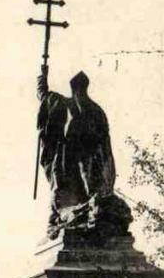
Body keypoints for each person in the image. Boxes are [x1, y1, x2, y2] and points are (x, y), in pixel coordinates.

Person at [37, 69, 117, 239]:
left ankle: (82, 216)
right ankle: (63, 217)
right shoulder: (76, 105)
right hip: (69, 159)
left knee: (81, 189)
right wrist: (42, 80)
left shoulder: (91, 110)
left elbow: (104, 140)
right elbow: (45, 98)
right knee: (63, 189)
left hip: (85, 160)